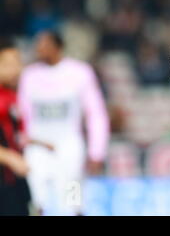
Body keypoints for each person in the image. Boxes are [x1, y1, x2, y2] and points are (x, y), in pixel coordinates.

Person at [18, 31, 110, 215]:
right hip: (37, 149)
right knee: (37, 200)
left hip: (68, 148)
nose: (39, 48)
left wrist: (96, 151)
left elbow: (96, 114)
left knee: (73, 200)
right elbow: (23, 113)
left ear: (57, 46)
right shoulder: (29, 75)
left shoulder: (79, 72)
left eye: (44, 43)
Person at [0, 37, 31, 215]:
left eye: (19, 62)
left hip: (14, 183)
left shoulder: (12, 96)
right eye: (11, 63)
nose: (18, 69)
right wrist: (10, 158)